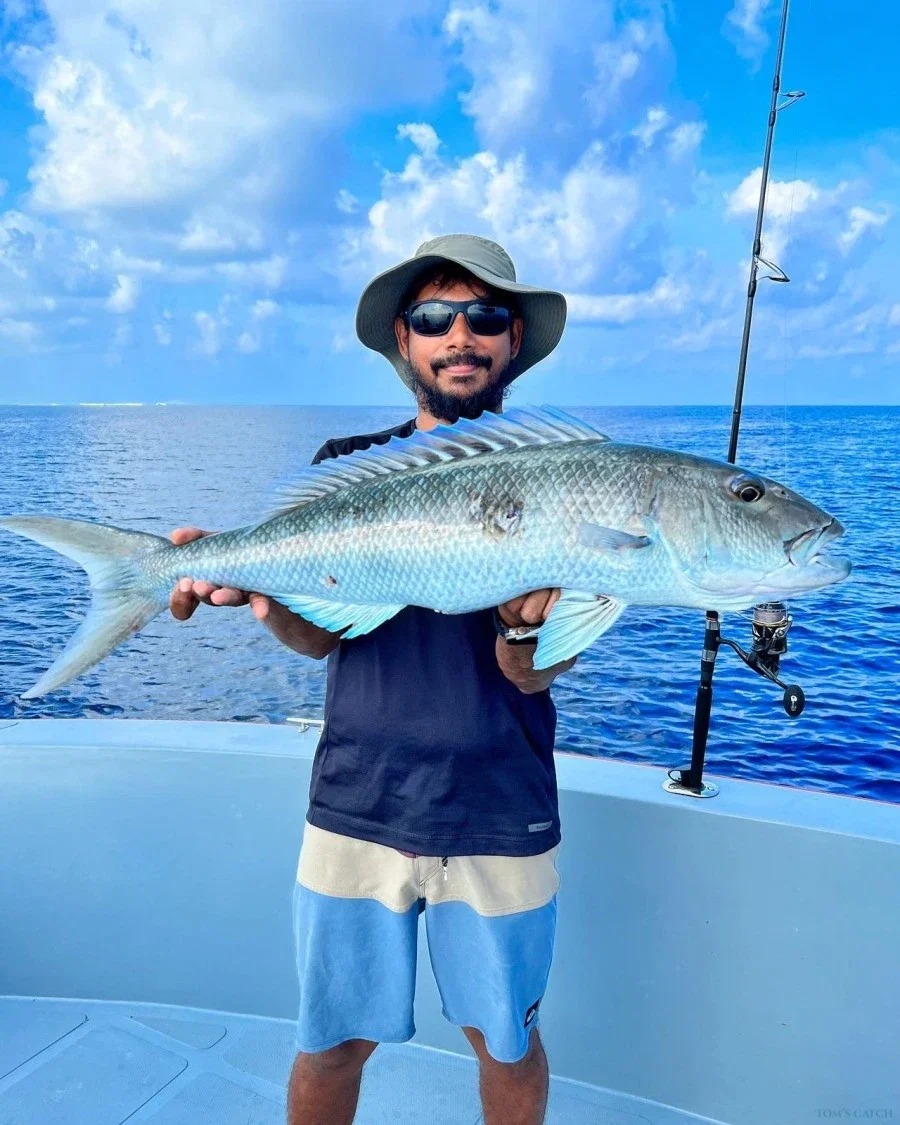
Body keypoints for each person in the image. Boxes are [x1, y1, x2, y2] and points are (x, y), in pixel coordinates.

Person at [169, 234, 574, 1125]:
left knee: (508, 1043)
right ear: (403, 338)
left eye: (485, 316)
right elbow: (318, 637)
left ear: (513, 340)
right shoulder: (345, 465)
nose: (460, 334)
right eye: (434, 316)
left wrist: (519, 624)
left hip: (501, 810)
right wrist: (262, 595)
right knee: (331, 1044)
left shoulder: (562, 483)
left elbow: (535, 672)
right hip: (359, 799)